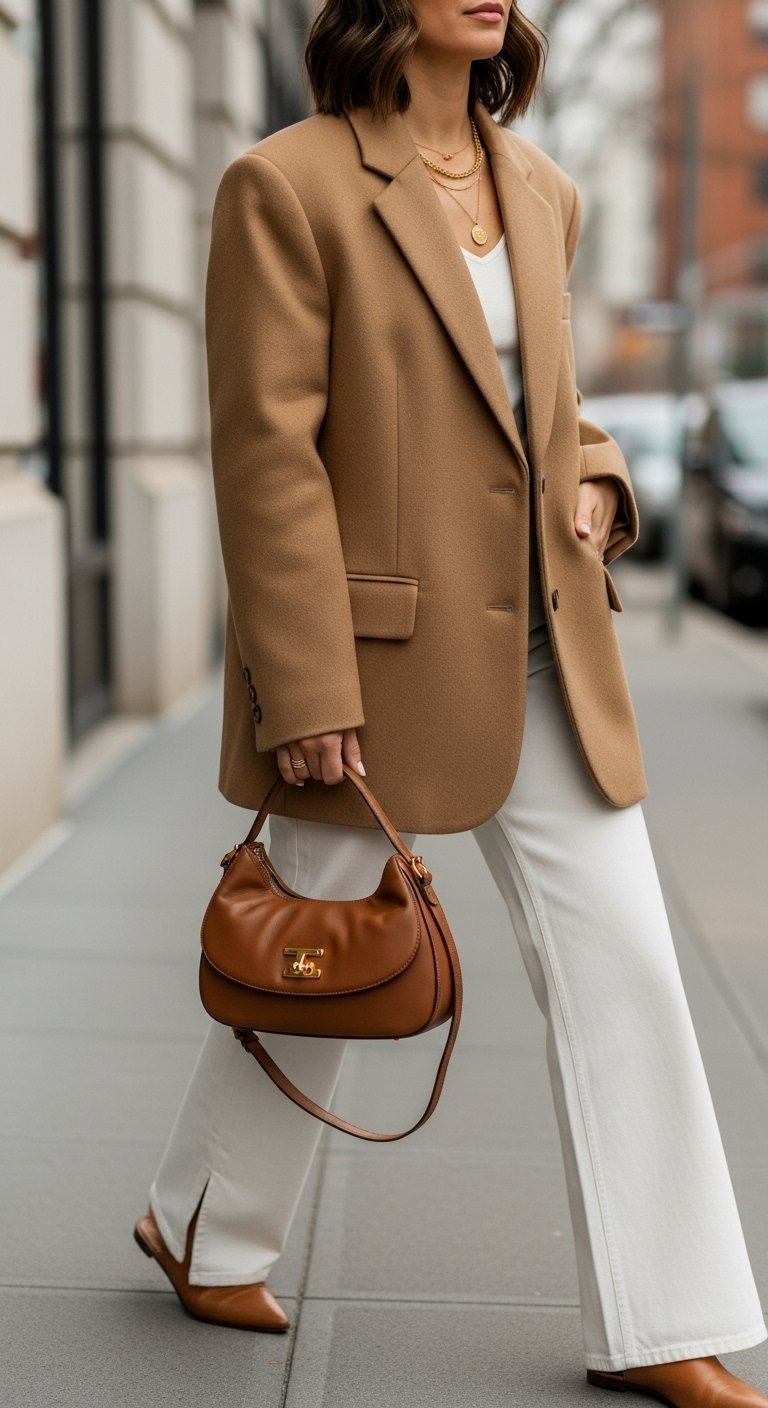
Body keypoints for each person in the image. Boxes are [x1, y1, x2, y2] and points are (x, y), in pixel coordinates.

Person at [133, 2, 768, 1401]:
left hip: (547, 649)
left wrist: (597, 477)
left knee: (633, 967)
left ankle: (667, 1322)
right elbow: (267, 452)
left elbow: (543, 401)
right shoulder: (285, 185)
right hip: (372, 668)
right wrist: (301, 680)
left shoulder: (543, 187)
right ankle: (202, 1227)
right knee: (309, 961)